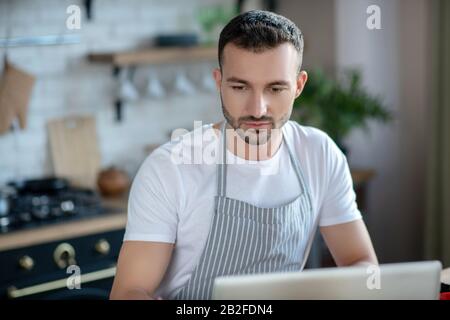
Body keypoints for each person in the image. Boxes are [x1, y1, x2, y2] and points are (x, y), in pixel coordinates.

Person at [110, 10, 378, 300]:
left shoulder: (319, 154)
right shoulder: (169, 168)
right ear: (219, 82)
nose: (257, 108)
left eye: (275, 88)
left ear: (299, 86)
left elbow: (360, 263)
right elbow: (129, 292)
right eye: (240, 87)